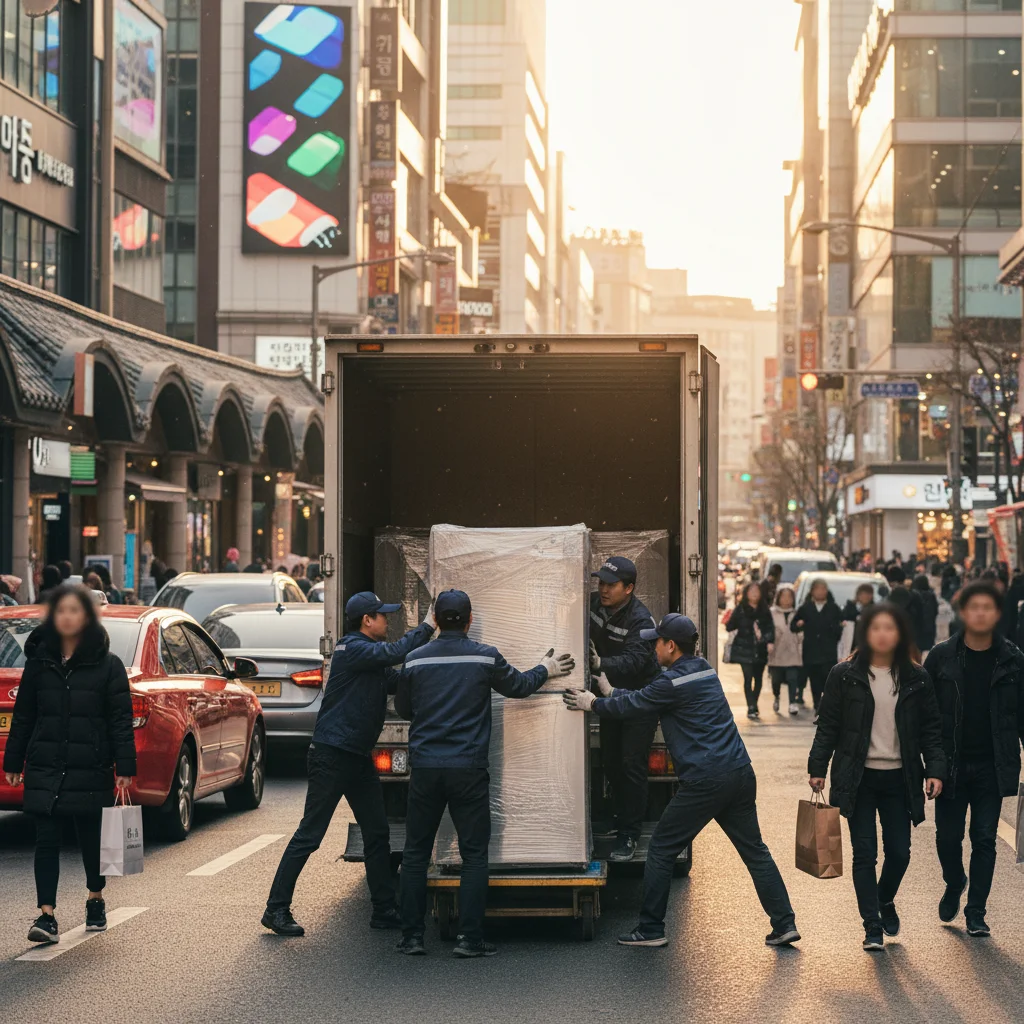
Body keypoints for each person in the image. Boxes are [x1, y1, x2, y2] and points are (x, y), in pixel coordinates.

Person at [565, 614, 800, 949]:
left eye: (657, 642)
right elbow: (649, 697)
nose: (653, 648)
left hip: (706, 780)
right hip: (739, 772)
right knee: (755, 851)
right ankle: (784, 923)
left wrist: (593, 703)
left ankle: (650, 929)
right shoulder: (704, 670)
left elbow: (639, 704)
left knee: (661, 848)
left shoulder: (671, 683)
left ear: (671, 646)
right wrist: (612, 690)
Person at [394, 589, 574, 957]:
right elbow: (519, 687)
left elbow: (404, 709)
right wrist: (546, 667)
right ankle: (469, 940)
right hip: (468, 769)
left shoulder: (413, 660)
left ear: (435, 620)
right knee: (474, 855)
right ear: (470, 620)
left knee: (415, 854)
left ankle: (411, 938)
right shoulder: (485, 656)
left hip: (426, 767)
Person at [262, 591, 436, 937]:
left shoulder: (369, 658)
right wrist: (428, 626)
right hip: (332, 755)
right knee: (310, 835)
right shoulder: (351, 648)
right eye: (382, 615)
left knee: (377, 832)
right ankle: (275, 909)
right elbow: (394, 653)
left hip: (356, 756)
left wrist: (431, 665)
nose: (387, 621)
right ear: (366, 620)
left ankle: (383, 909)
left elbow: (397, 679)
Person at [808, 603, 946, 951]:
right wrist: (817, 768)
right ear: (865, 633)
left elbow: (931, 729)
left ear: (900, 634)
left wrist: (935, 769)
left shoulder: (917, 677)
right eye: (876, 628)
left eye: (890, 628)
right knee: (864, 853)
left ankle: (884, 899)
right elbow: (828, 725)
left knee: (900, 853)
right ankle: (872, 926)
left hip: (900, 779)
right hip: (859, 778)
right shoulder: (844, 675)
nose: (883, 634)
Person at [3, 584, 136, 943]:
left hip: (89, 764)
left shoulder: (108, 665)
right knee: (46, 839)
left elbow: (120, 720)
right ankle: (46, 916)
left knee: (90, 838)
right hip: (45, 763)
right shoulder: (38, 663)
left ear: (87, 617)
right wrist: (14, 760)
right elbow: (24, 715)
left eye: (74, 611)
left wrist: (124, 766)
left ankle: (95, 897)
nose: (66, 617)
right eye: (60, 610)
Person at [924, 580, 1024, 938]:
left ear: (997, 614)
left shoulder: (1013, 659)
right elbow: (927, 717)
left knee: (983, 838)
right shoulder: (941, 657)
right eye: (974, 607)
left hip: (991, 765)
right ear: (963, 612)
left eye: (988, 608)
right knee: (947, 838)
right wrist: (931, 766)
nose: (981, 613)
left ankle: (976, 912)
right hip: (950, 765)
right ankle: (955, 881)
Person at [587, 556, 659, 862]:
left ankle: (629, 834)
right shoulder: (593, 605)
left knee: (631, 765)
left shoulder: (641, 621)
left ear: (628, 588)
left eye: (611, 585)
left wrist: (599, 663)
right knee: (611, 761)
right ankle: (619, 817)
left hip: (639, 700)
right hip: (612, 696)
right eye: (601, 582)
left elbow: (634, 661)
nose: (603, 589)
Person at [791, 578, 843, 717]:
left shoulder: (833, 608)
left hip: (828, 651)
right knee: (815, 681)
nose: (820, 592)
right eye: (817, 589)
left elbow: (840, 627)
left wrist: (836, 630)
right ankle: (817, 706)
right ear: (812, 591)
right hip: (811, 651)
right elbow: (793, 626)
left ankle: (827, 706)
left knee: (828, 680)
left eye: (823, 589)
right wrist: (799, 624)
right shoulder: (806, 608)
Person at [727, 581, 774, 719]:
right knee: (748, 678)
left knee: (758, 678)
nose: (754, 594)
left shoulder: (764, 610)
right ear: (746, 593)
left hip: (760, 649)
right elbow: (730, 626)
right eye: (751, 591)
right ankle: (751, 706)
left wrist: (767, 640)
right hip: (744, 648)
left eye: (757, 591)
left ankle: (754, 703)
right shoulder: (740, 609)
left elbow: (771, 628)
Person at [767, 585, 802, 716]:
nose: (786, 599)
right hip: (777, 651)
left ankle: (792, 702)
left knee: (793, 678)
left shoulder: (797, 613)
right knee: (776, 680)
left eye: (789, 597)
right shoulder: (771, 613)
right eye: (783, 596)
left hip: (793, 651)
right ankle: (776, 696)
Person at [911, 574, 939, 654]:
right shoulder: (931, 595)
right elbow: (935, 610)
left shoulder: (914, 595)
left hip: (918, 627)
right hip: (929, 627)